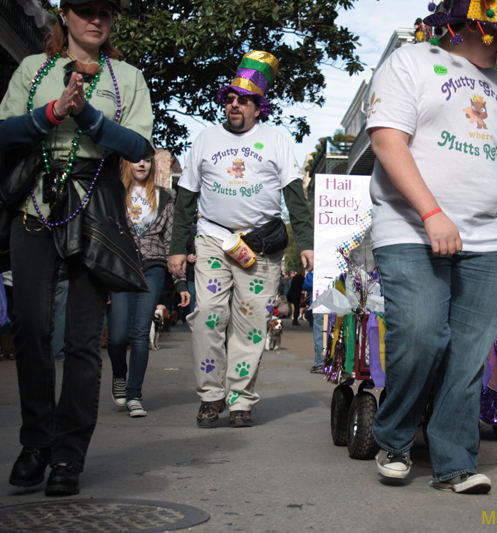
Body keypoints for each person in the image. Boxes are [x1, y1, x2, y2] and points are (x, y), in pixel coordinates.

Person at [368, 0, 497, 494]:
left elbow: (489, 152)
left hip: (484, 238)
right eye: (496, 34)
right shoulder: (409, 62)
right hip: (411, 228)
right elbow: (386, 141)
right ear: (464, 27)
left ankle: (454, 461)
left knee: (468, 354)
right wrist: (432, 212)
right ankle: (394, 436)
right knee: (419, 335)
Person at [0, 0, 154, 495]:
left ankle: (69, 454)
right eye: (85, 10)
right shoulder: (31, 68)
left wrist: (86, 115)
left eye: (105, 13)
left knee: (84, 340)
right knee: (31, 329)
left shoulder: (126, 77)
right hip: (34, 207)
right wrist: (52, 111)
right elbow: (3, 133)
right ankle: (36, 442)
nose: (96, 20)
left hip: (95, 209)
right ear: (64, 16)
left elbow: (139, 148)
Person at [168, 51, 313, 429]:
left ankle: (240, 398)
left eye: (242, 100)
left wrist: (308, 242)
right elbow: (186, 198)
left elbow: (295, 196)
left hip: (261, 246)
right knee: (207, 318)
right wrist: (177, 250)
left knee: (250, 325)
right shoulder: (205, 139)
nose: (234, 105)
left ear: (258, 107)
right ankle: (211, 395)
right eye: (230, 98)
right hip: (213, 239)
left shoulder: (276, 140)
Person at [106, 158, 190, 417]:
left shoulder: (164, 197)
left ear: (152, 165)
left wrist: (180, 282)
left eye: (146, 160)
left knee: (141, 333)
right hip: (121, 267)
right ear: (126, 163)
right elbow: (105, 235)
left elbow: (170, 243)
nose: (141, 164)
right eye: (135, 159)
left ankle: (134, 395)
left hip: (152, 269)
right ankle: (120, 375)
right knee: (118, 336)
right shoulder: (115, 193)